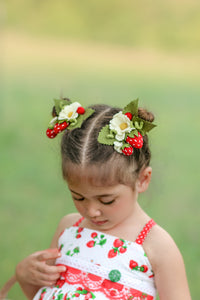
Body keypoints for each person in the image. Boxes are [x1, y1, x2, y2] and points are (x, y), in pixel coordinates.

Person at [14, 98, 191, 299]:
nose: (91, 211)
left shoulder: (157, 246)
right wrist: (25, 276)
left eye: (107, 200)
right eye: (78, 198)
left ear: (142, 179)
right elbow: (45, 293)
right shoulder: (70, 227)